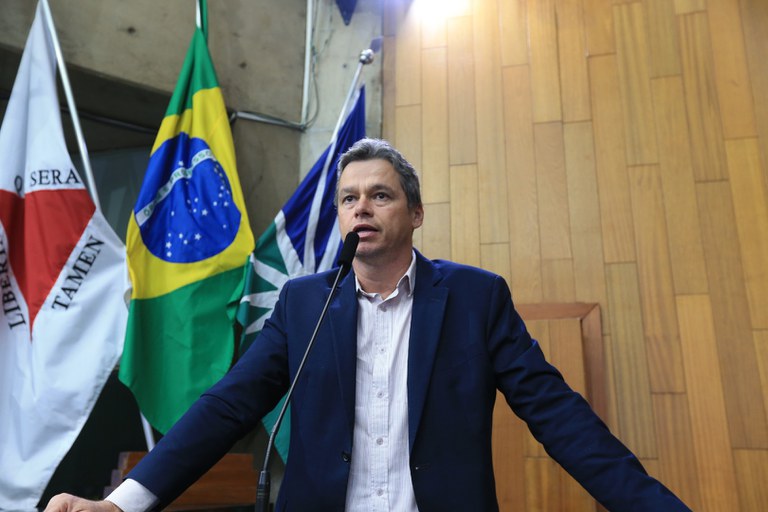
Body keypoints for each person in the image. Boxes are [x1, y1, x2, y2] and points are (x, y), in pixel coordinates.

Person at [46, 139, 690, 511]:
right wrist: (122, 503)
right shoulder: (303, 304)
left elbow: (560, 417)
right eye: (349, 198)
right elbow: (226, 407)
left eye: (381, 195)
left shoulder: (476, 299)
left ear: (415, 213)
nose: (363, 208)